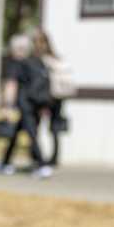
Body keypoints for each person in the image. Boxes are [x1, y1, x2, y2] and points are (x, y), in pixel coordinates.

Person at [0, 34, 52, 178]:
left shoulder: (17, 64)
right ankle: (5, 162)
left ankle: (42, 164)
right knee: (15, 134)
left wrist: (7, 106)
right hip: (37, 105)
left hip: (25, 105)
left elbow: (11, 85)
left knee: (32, 135)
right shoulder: (37, 61)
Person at [33, 28, 73, 170]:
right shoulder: (55, 56)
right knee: (54, 127)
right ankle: (54, 157)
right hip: (59, 96)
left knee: (36, 126)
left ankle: (37, 156)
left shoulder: (41, 59)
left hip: (47, 97)